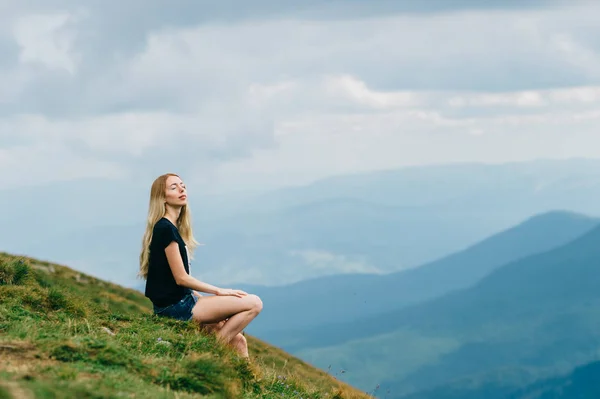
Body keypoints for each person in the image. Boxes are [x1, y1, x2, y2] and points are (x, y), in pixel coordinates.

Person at [139, 173, 263, 359]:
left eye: (182, 185)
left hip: (179, 303)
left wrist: (213, 305)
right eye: (174, 187)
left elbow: (175, 282)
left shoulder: (171, 227)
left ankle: (250, 384)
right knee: (254, 303)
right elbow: (181, 278)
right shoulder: (165, 229)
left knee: (238, 341)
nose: (181, 189)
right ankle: (210, 352)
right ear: (163, 197)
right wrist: (219, 292)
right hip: (176, 308)